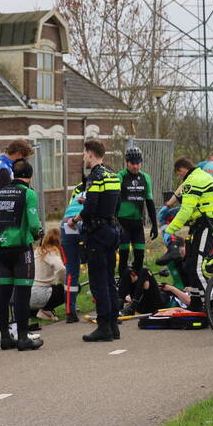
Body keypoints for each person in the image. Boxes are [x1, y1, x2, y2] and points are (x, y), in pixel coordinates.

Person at [0, 159, 43, 351]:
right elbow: (34, 224)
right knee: (22, 293)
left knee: (3, 294)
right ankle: (23, 338)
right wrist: (38, 234)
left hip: (2, 250)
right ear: (29, 176)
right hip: (21, 251)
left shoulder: (1, 193)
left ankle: (4, 337)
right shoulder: (29, 194)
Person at [164, 157, 213, 305]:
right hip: (202, 225)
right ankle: (197, 302)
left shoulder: (192, 180)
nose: (180, 178)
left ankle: (210, 304)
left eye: (178, 175)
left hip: (204, 225)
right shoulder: (201, 175)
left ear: (181, 170)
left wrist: (170, 229)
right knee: (191, 265)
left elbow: (186, 210)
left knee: (198, 267)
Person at [78, 139, 121, 343]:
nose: (83, 157)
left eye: (84, 154)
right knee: (110, 280)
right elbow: (115, 202)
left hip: (97, 233)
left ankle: (103, 327)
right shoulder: (112, 174)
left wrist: (77, 218)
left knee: (98, 281)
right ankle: (114, 326)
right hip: (112, 230)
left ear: (91, 154)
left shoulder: (94, 176)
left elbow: (92, 205)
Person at [116, 147, 158, 295]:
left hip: (137, 224)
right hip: (123, 223)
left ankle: (136, 290)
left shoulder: (145, 178)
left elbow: (150, 202)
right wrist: (114, 221)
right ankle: (123, 291)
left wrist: (155, 224)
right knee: (124, 255)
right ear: (127, 163)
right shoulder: (120, 176)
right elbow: (114, 200)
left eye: (138, 163)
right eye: (132, 163)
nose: (135, 166)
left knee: (140, 256)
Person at [0, 139, 34, 237]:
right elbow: (10, 196)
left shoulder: (0, 166)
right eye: (24, 159)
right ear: (18, 154)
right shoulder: (3, 169)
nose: (24, 162)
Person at [61, 179, 86, 323]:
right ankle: (102, 308)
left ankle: (70, 312)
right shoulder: (101, 190)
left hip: (66, 224)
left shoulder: (78, 192)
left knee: (71, 269)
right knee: (96, 266)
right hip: (82, 222)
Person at [30, 228, 67, 320]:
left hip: (28, 294)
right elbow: (61, 269)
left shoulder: (37, 251)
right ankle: (46, 309)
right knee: (74, 287)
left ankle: (34, 312)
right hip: (41, 294)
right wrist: (66, 282)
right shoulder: (52, 251)